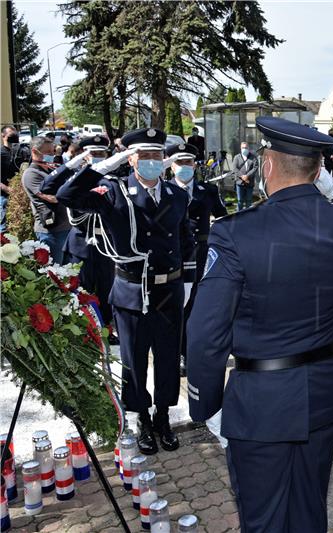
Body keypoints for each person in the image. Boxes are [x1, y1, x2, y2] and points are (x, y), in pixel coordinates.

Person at [186, 117, 333, 531]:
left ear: (266, 166)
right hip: (323, 390)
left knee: (264, 519)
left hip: (261, 402)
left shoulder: (235, 233)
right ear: (319, 171)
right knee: (308, 507)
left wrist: (206, 405)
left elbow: (205, 334)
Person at [57, 127, 193, 455]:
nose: (151, 161)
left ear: (165, 160)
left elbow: (185, 238)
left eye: (156, 155)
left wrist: (187, 280)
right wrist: (101, 166)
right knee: (133, 360)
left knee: (167, 357)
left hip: (168, 290)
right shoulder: (114, 191)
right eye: (143, 156)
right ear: (130, 159)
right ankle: (142, 417)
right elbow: (65, 196)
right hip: (133, 290)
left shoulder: (178, 195)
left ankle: (162, 415)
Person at [40, 135, 117, 330]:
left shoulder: (113, 178)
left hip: (106, 243)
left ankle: (106, 328)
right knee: (80, 290)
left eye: (101, 154)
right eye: (93, 154)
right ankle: (84, 330)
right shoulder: (74, 179)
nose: (98, 157)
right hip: (80, 244)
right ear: (84, 155)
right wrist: (71, 165)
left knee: (106, 289)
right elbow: (47, 186)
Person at [166, 142, 227, 376]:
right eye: (180, 162)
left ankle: (192, 353)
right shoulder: (163, 190)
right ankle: (178, 351)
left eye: (188, 162)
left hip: (202, 255)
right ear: (171, 166)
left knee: (199, 307)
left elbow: (222, 218)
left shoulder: (207, 191)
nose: (184, 166)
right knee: (178, 306)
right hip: (174, 255)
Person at [21, 136, 72, 264]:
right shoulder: (31, 174)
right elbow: (51, 199)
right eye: (48, 152)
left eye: (53, 152)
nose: (52, 155)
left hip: (66, 227)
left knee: (69, 271)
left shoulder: (51, 169)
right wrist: (70, 194)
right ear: (34, 151)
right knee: (55, 271)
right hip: (51, 231)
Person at [232, 142, 257, 211]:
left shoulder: (253, 157)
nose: (244, 149)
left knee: (249, 201)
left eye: (246, 148)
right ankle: (238, 216)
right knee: (240, 201)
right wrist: (242, 176)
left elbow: (255, 167)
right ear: (240, 148)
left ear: (248, 148)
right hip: (239, 182)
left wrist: (247, 176)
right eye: (243, 148)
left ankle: (248, 216)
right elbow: (234, 168)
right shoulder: (237, 157)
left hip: (250, 182)